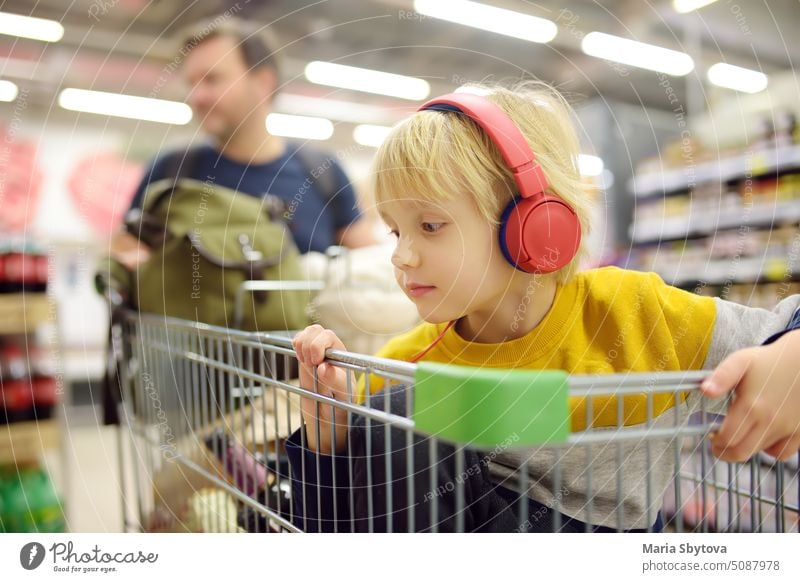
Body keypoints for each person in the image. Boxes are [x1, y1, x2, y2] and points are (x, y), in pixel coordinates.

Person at [286, 82, 800, 533]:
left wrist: (791, 352)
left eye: (430, 225)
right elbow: (334, 531)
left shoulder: (634, 313)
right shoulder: (406, 362)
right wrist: (327, 436)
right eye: (396, 230)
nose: (401, 254)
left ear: (534, 222)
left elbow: (784, 326)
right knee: (394, 413)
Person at [110, 17, 374, 270]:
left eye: (212, 79)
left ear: (263, 83)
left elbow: (368, 265)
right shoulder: (171, 171)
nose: (196, 96)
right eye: (191, 83)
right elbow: (122, 253)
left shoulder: (321, 173)